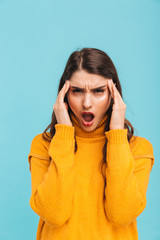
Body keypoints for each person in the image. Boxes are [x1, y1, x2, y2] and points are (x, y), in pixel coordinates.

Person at [28, 48, 155, 240]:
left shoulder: (138, 149)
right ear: (64, 96)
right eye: (77, 91)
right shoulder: (44, 146)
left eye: (98, 91)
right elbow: (54, 214)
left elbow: (121, 215)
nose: (87, 103)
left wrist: (117, 136)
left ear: (113, 94)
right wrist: (63, 135)